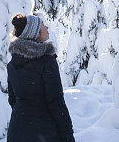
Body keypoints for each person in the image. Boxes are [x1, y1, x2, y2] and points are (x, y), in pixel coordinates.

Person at [7, 14, 75, 142]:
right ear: (36, 33)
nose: (47, 27)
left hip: (16, 132)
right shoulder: (46, 61)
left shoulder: (12, 63)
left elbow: (13, 100)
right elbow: (56, 102)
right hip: (44, 133)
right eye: (43, 25)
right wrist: (68, 136)